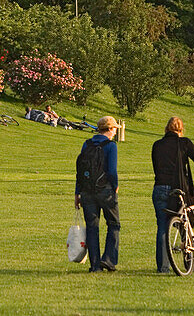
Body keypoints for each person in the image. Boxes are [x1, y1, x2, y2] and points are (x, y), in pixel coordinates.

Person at [151, 117, 194, 274]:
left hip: (159, 188)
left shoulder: (157, 145)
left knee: (162, 227)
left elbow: (156, 167)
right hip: (178, 188)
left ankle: (163, 267)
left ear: (166, 129)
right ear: (181, 130)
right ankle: (188, 261)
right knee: (186, 223)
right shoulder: (184, 143)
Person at [74, 116, 121, 272]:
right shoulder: (111, 146)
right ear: (109, 129)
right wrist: (115, 186)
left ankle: (94, 265)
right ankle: (108, 259)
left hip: (87, 191)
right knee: (113, 224)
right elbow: (112, 171)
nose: (115, 132)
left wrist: (77, 193)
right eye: (114, 129)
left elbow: (80, 170)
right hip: (105, 191)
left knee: (92, 228)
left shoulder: (86, 144)